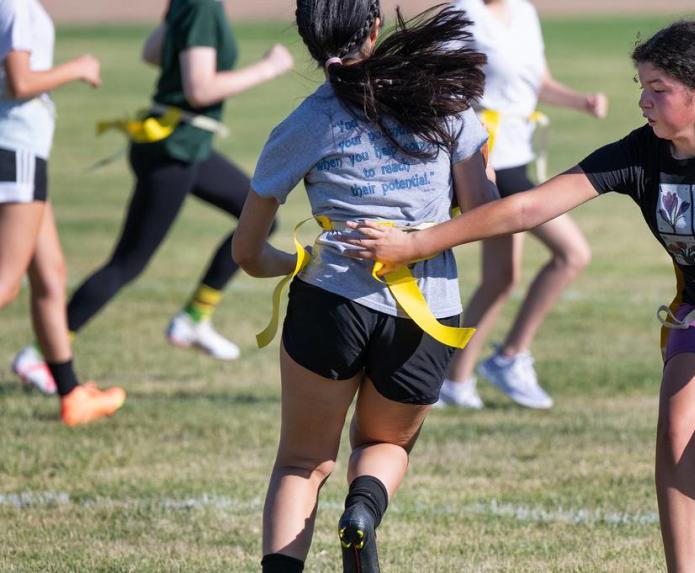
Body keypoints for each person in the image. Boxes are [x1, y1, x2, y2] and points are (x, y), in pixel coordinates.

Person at [345, 19, 695, 573]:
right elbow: (527, 208)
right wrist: (415, 243)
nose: (643, 101)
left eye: (658, 90)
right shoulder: (642, 153)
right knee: (678, 440)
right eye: (642, 86)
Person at [231, 3, 492, 572]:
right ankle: (363, 514)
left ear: (308, 39)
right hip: (424, 313)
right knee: (386, 446)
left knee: (302, 461)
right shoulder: (445, 100)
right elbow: (484, 213)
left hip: (330, 303)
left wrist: (295, 264)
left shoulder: (306, 120)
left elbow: (246, 253)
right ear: (375, 28)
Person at [10, 0, 294, 388]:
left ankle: (193, 318)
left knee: (259, 217)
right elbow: (199, 90)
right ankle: (39, 355)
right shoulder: (205, 6)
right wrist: (268, 68)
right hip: (174, 151)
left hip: (184, 146)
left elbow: (151, 52)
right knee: (127, 263)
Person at [437, 0, 608, 410]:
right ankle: (509, 356)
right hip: (489, 159)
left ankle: (454, 381)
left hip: (518, 155)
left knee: (500, 277)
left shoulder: (524, 12)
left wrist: (579, 101)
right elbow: (436, 86)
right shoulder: (461, 13)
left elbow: (537, 82)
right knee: (572, 253)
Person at [0, 0, 125, 425]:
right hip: (15, 151)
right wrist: (78, 68)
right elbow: (18, 82)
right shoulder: (16, 8)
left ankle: (71, 393)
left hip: (23, 152)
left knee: (49, 275)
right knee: (6, 283)